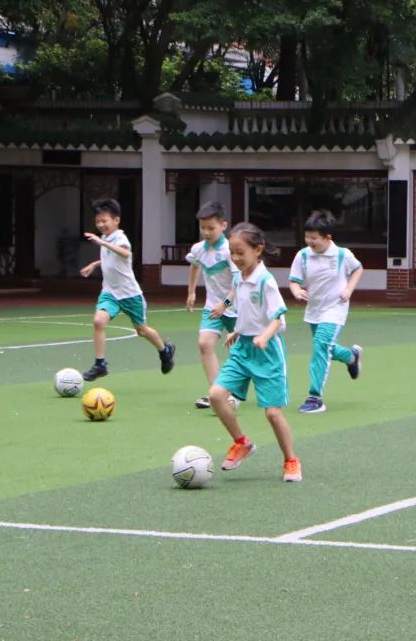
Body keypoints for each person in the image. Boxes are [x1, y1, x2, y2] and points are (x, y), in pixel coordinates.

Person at [209, 222, 301, 482]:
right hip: (242, 348)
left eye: (240, 252)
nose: (235, 258)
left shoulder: (266, 282)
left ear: (257, 250)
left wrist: (263, 335)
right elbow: (236, 294)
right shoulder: (239, 276)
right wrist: (234, 325)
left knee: (273, 413)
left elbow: (279, 318)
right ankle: (242, 442)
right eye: (232, 252)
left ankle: (291, 460)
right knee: (216, 395)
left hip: (268, 351)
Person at [79, 198, 175, 380]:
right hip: (110, 292)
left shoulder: (120, 238)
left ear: (116, 220)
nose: (100, 224)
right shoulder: (106, 239)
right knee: (99, 321)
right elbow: (110, 258)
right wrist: (95, 264)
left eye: (104, 221)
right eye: (98, 221)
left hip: (130, 294)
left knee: (142, 330)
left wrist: (102, 243)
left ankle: (165, 350)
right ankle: (100, 364)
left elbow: (125, 253)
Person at [288, 211, 364, 414]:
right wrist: (297, 291)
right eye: (307, 237)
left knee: (321, 345)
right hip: (314, 309)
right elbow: (294, 281)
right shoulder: (302, 255)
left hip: (335, 308)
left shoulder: (342, 255)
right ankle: (351, 357)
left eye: (314, 238)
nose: (309, 241)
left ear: (328, 237)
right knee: (326, 347)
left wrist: (348, 289)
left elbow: (357, 269)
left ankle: (315, 397)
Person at [185, 201, 241, 409]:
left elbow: (239, 282)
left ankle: (239, 390)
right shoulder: (198, 249)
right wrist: (191, 292)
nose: (206, 232)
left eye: (211, 228)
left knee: (243, 352)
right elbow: (194, 267)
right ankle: (217, 392)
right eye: (203, 228)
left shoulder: (231, 250)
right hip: (212, 306)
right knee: (204, 343)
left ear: (223, 225)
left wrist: (225, 304)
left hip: (237, 307)